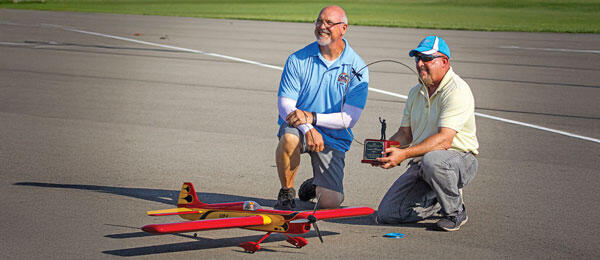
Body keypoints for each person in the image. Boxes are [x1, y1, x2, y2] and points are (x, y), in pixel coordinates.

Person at [375, 36, 479, 231]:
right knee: (387, 214)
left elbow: (445, 141)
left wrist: (403, 154)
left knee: (434, 161)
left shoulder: (457, 90)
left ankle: (455, 211)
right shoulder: (416, 92)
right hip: (423, 161)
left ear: (444, 62)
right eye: (417, 59)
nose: (420, 64)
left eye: (426, 59)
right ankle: (440, 199)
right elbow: (405, 134)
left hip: (458, 159)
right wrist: (385, 150)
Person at [274, 5, 369, 210]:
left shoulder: (357, 67)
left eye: (329, 23)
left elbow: (349, 118)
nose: (321, 27)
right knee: (289, 138)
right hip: (299, 128)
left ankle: (314, 185)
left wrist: (313, 118)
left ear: (343, 28)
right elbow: (285, 105)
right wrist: (307, 127)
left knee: (330, 202)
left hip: (333, 135)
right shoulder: (298, 59)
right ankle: (286, 192)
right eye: (319, 21)